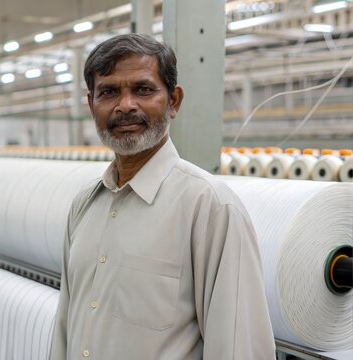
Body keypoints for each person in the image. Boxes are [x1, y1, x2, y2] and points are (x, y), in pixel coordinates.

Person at [50, 33, 275, 359]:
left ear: (173, 101)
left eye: (143, 90)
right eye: (109, 92)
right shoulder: (85, 204)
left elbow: (240, 347)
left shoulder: (209, 208)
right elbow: (65, 327)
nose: (125, 105)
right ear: (91, 104)